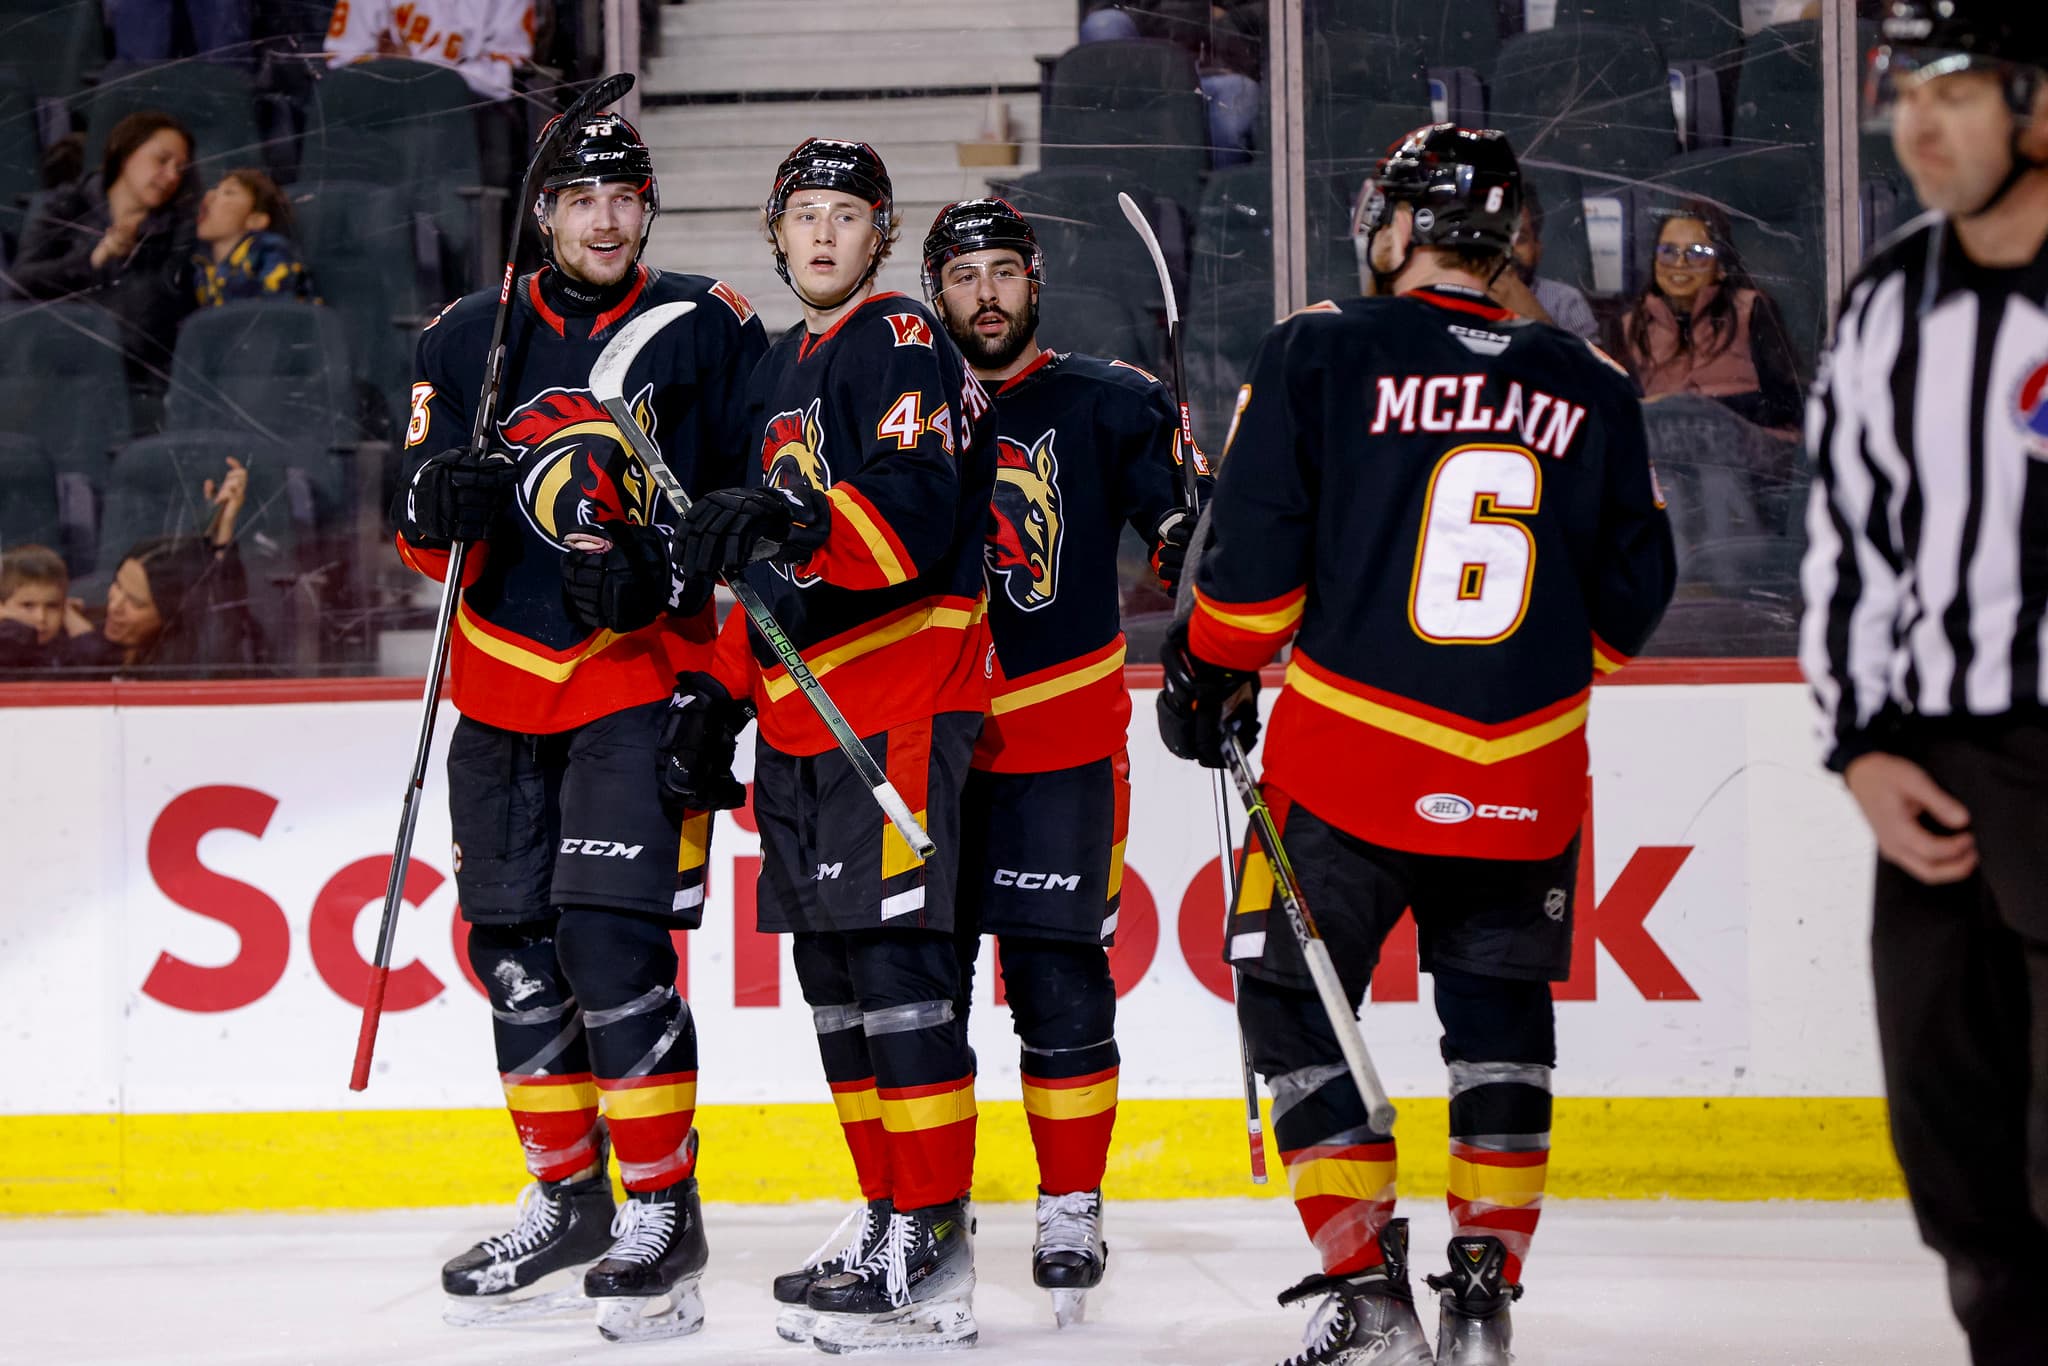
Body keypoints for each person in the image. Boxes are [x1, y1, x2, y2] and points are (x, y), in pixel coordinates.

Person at [1158, 124, 1674, 1366]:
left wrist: (1208, 667)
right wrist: (1530, 674)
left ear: (1398, 226)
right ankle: (1483, 1298)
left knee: (1291, 998)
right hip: (1527, 771)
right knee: (1498, 1021)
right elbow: (1633, 595)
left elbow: (1251, 587)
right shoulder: (1592, 382)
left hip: (1350, 762)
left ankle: (1365, 1292)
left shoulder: (1320, 346)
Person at [391, 110, 767, 1343]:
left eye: (624, 197)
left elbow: (755, 513)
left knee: (612, 952)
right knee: (511, 956)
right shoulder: (466, 333)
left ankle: (661, 1207)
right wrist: (437, 507)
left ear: (647, 208)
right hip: (498, 691)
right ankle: (567, 1198)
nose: (605, 220)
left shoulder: (710, 324)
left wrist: (671, 578)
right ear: (543, 214)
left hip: (636, 684)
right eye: (580, 199)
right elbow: (418, 536)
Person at [658, 138, 997, 1354]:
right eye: (803, 213)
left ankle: (935, 1243)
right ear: (774, 230)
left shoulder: (897, 336)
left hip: (896, 710)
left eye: (846, 214)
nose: (821, 233)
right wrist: (718, 693)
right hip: (805, 722)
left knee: (902, 983)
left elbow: (911, 515)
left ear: (880, 234)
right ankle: (888, 1209)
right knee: (837, 989)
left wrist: (789, 517)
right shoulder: (770, 371)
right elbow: (760, 577)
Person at [1800, 6, 2048, 1364]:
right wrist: (1860, 746)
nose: (1918, 123)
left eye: (1952, 89)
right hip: (1935, 761)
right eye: (1903, 92)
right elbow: (1849, 537)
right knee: (1954, 1142)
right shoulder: (1891, 298)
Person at [921, 197, 1194, 1327]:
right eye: (963, 275)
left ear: (1033, 281)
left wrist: (1189, 538)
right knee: (920, 992)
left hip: (1059, 737)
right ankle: (927, 1212)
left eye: (1003, 271)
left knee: (1058, 976)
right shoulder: (899, 405)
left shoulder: (1108, 399)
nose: (985, 294)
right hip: (925, 740)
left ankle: (1070, 1203)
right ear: (934, 292)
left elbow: (1176, 530)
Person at [14, 112, 198, 425]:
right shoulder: (63, 206)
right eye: (162, 160)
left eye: (179, 168)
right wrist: (94, 260)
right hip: (51, 376)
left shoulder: (180, 229)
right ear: (124, 153)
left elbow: (156, 316)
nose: (171, 177)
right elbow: (20, 284)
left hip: (134, 385)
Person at [1616, 204, 1804, 434]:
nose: (1680, 263)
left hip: (1745, 448)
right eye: (1668, 251)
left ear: (1721, 267)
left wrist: (1697, 409)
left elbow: (1786, 403)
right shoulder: (1634, 325)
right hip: (1666, 450)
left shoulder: (1751, 310)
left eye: (1697, 252)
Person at [67, 458, 261, 679]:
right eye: (118, 586)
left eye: (136, 603)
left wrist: (224, 532)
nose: (114, 606)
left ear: (170, 616)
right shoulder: (80, 624)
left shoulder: (179, 670)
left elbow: (223, 644)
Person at [323, 0, 534, 101]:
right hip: (381, 116)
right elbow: (341, 62)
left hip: (470, 118)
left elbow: (506, 78)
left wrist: (413, 69)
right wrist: (388, 68)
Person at [193, 169, 314, 306]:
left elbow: (277, 311)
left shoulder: (270, 252)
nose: (209, 195)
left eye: (229, 192)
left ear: (255, 220)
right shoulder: (198, 263)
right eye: (215, 189)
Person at [1510, 183, 1598, 340]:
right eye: (1498, 240)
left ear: (1537, 248)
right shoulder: (1464, 296)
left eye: (1520, 239)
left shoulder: (1565, 303)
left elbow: (1588, 356)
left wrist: (1524, 304)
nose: (1507, 253)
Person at [0, 545, 93, 674]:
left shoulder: (62, 647)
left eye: (52, 606)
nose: (41, 617)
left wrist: (69, 613)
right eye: (28, 605)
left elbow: (93, 659)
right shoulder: (5, 646)